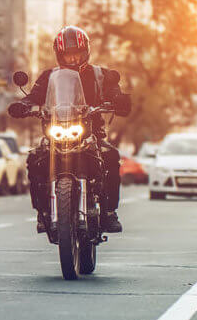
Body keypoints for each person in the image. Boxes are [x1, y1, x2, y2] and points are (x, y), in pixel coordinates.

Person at [8, 26, 131, 233]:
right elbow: (34, 96)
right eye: (68, 54)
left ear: (86, 52)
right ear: (60, 55)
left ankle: (109, 212)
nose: (73, 59)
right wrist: (24, 105)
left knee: (110, 156)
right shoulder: (49, 76)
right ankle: (43, 212)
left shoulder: (101, 75)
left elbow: (114, 91)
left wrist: (117, 99)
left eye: (77, 54)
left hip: (91, 134)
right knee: (35, 159)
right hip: (57, 132)